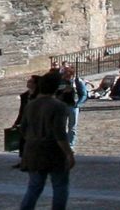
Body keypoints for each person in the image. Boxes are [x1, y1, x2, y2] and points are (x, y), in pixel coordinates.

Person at [12, 71, 74, 210]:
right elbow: (59, 133)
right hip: (53, 150)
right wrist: (69, 153)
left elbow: (23, 129)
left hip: (33, 149)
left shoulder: (31, 105)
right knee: (60, 186)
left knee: (34, 187)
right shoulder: (58, 106)